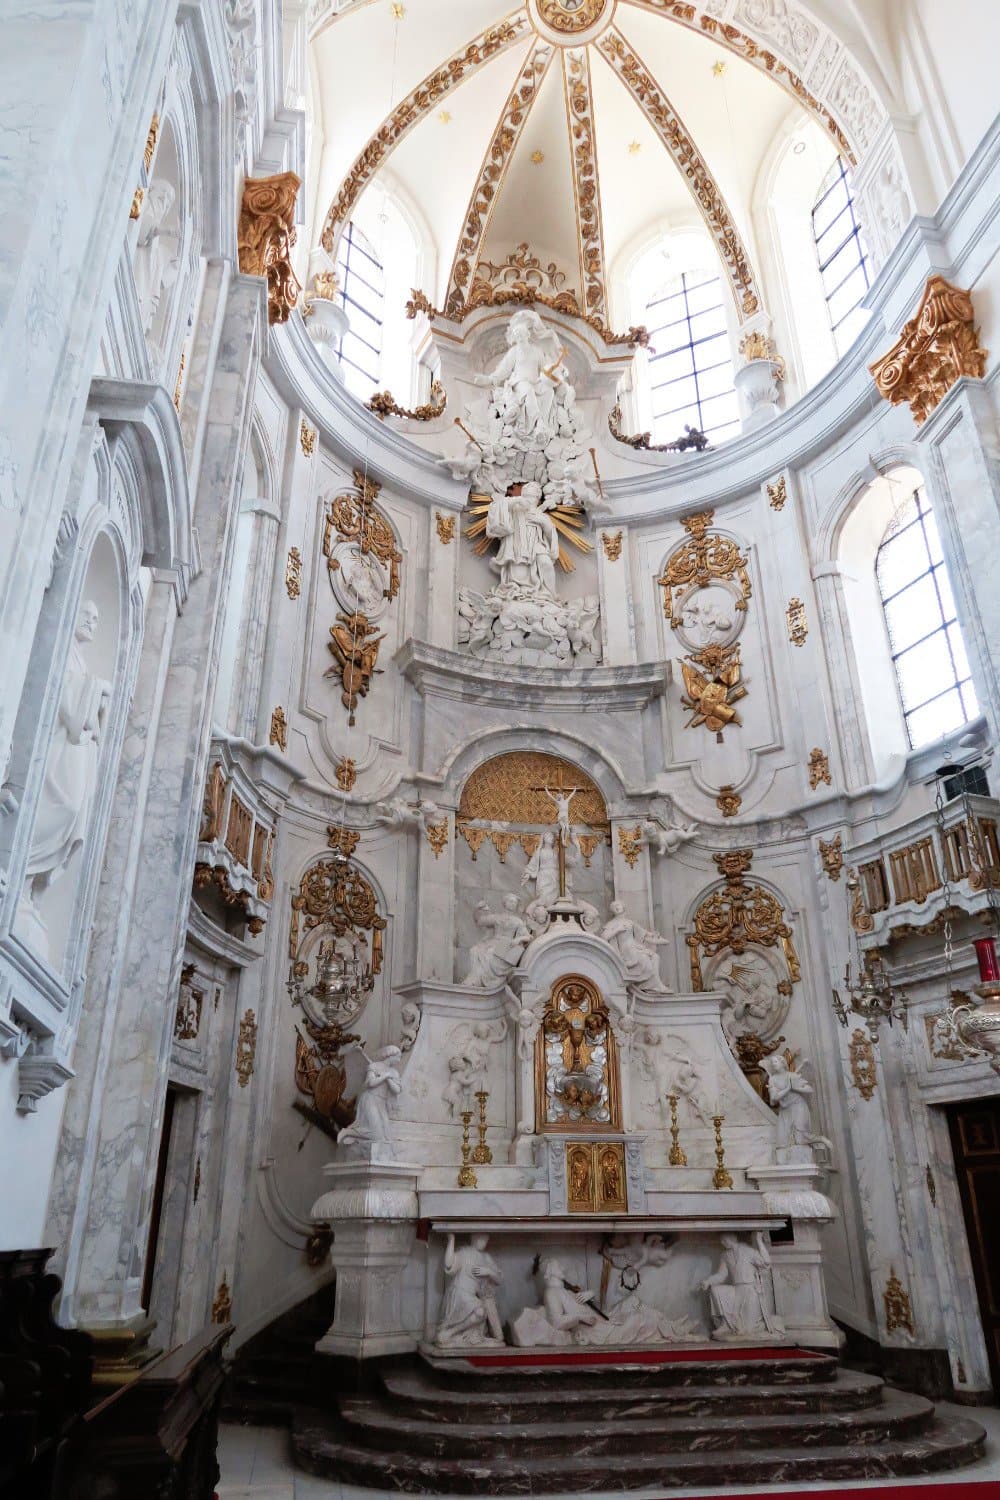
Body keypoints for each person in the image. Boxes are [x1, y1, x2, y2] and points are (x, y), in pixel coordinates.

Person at [24, 599, 111, 906]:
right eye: (87, 615)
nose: (92, 622)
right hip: (57, 749)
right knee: (68, 805)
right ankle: (23, 866)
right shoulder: (63, 652)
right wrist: (96, 691)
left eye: (97, 619)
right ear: (73, 614)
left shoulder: (81, 663)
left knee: (76, 809)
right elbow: (69, 714)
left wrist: (97, 695)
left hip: (73, 752)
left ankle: (29, 883)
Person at [436, 1234, 504, 1347]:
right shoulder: (464, 1252)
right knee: (480, 1311)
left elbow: (499, 1279)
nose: (484, 1241)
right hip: (459, 1292)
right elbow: (448, 1264)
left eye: (486, 1238)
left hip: (473, 1296)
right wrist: (451, 1240)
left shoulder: (486, 1257)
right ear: (473, 1237)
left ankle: (449, 1333)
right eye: (481, 1237)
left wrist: (489, 1271)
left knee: (482, 1311)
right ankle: (449, 1333)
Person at [337, 1044, 403, 1156]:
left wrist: (388, 1078)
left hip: (382, 1103)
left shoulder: (394, 1072)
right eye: (397, 1057)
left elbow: (396, 1090)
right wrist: (384, 1076)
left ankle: (352, 1135)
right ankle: (348, 1132)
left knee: (385, 1136)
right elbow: (370, 1083)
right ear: (390, 1055)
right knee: (376, 1134)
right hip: (370, 1099)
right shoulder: (374, 1066)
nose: (399, 1060)